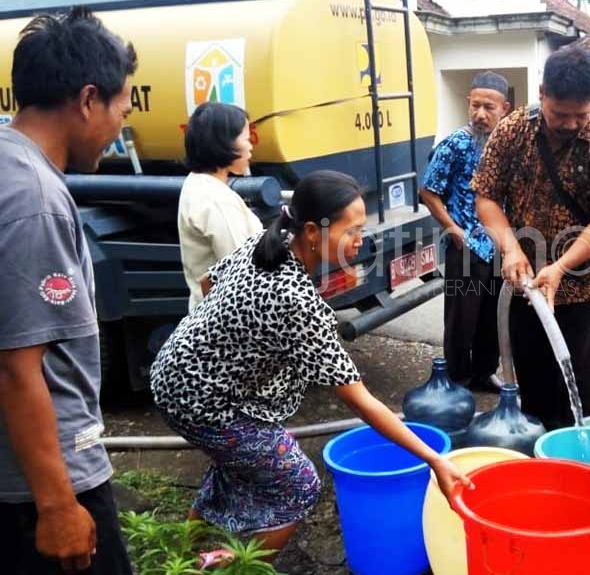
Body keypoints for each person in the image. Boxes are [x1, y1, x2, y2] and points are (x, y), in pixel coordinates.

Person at [150, 171, 468, 560]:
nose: (360, 241)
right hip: (201, 403)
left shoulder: (265, 243)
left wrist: (242, 354)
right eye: (351, 231)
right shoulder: (298, 302)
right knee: (297, 483)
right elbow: (362, 401)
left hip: (173, 370)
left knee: (237, 466)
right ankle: (240, 568)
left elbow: (207, 285)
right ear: (315, 233)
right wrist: (434, 460)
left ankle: (183, 555)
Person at [0, 7, 136, 575]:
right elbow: (15, 364)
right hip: (41, 490)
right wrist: (58, 504)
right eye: (120, 111)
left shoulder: (9, 164)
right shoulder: (33, 199)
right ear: (86, 100)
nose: (119, 131)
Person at [472, 46, 590, 430]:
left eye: (582, 113)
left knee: (583, 393)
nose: (573, 123)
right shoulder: (513, 130)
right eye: (561, 114)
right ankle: (541, 464)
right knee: (535, 388)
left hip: (581, 288)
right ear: (542, 92)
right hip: (524, 282)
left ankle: (583, 463)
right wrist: (510, 248)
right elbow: (487, 196)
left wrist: (560, 267)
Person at [420, 71, 511, 391]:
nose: (480, 114)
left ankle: (485, 371)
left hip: (500, 245)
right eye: (475, 106)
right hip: (467, 245)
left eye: (489, 107)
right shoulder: (455, 144)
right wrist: (453, 228)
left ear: (505, 108)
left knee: (493, 316)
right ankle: (457, 378)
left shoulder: (506, 145)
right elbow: (429, 191)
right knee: (462, 318)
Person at [179, 101, 262, 311]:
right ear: (224, 143)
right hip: (231, 325)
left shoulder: (196, 183)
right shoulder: (216, 199)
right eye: (245, 137)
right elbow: (244, 273)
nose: (251, 144)